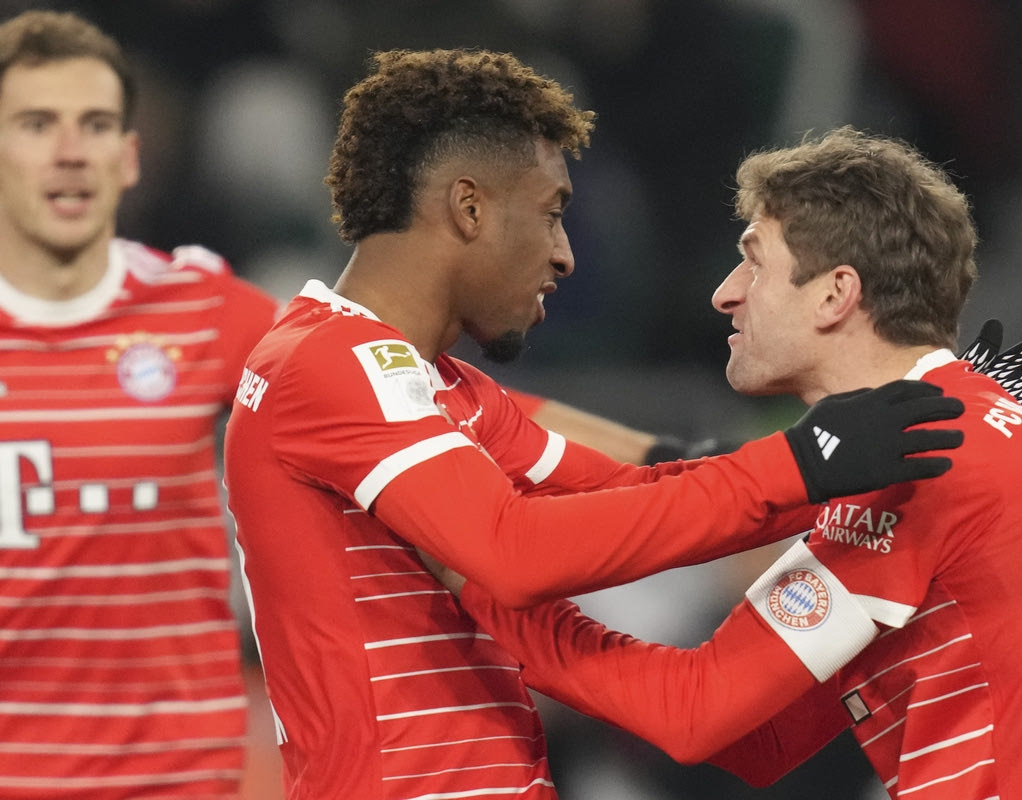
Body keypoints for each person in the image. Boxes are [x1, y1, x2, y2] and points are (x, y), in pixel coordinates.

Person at [220, 49, 971, 800]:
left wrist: (865, 466)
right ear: (468, 208)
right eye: (551, 214)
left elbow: (632, 494)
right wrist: (805, 465)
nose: (565, 255)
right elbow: (513, 553)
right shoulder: (325, 362)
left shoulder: (442, 386)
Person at [423, 127, 1022, 798]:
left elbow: (692, 712)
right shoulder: (970, 433)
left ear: (835, 295)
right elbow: (764, 739)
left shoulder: (923, 462)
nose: (725, 295)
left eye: (754, 263)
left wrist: (471, 575)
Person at [0, 10, 279, 799]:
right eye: (35, 124)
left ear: (128, 156)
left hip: (178, 780)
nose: (69, 151)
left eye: (94, 125)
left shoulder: (204, 308)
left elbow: (398, 411)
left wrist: (611, 462)